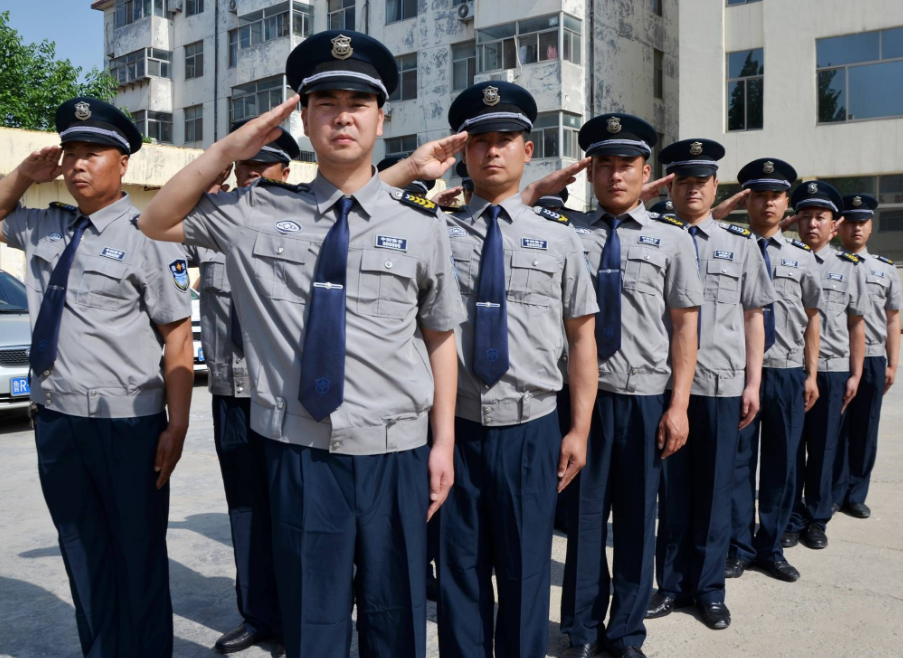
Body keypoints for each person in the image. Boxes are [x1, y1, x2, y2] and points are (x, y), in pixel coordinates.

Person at [138, 30, 465, 658]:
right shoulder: (251, 211)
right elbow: (155, 219)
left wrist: (443, 441)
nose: (342, 115)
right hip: (299, 451)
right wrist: (234, 145)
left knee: (394, 616)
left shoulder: (420, 225)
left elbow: (440, 338)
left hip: (394, 450)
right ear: (305, 118)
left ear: (380, 118)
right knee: (311, 619)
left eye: (358, 103)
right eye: (324, 102)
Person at [0, 97, 194, 657]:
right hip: (57, 420)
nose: (79, 165)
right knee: (80, 547)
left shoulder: (149, 234)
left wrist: (176, 428)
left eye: (94, 153)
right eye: (72, 153)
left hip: (126, 423)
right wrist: (20, 174)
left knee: (137, 551)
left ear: (123, 163)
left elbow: (177, 336)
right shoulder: (44, 226)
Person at [435, 80, 599, 658]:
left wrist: (577, 429)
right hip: (453, 428)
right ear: (462, 152)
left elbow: (582, 339)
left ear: (529, 150)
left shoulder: (560, 240)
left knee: (528, 570)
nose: (492, 151)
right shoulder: (434, 230)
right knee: (458, 567)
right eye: (478, 141)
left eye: (506, 139)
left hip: (532, 427)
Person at [560, 115, 703, 658]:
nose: (616, 175)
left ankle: (625, 633)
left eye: (627, 165)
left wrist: (680, 405)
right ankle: (580, 629)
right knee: (583, 518)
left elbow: (686, 325)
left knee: (640, 520)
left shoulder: (671, 241)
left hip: (644, 398)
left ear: (647, 172)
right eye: (605, 165)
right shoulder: (566, 233)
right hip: (580, 403)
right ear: (589, 171)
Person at [182, 119, 301, 654]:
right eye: (244, 164)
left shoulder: (304, 223)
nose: (252, 175)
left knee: (296, 512)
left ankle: (304, 613)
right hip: (232, 393)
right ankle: (258, 614)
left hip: (288, 396)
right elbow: (154, 223)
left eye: (263, 165)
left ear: (286, 171)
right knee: (247, 509)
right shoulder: (212, 223)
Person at [649, 139, 774, 631]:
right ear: (672, 186)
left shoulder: (738, 244)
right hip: (666, 387)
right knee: (673, 493)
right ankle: (672, 585)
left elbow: (754, 317)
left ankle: (708, 590)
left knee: (716, 491)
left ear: (714, 186)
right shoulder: (654, 237)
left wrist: (753, 381)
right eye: (683, 181)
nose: (693, 190)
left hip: (721, 386)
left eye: (701, 182)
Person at [726, 158, 821, 584]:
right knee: (739, 463)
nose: (768, 202)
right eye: (759, 194)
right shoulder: (726, 243)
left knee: (783, 462)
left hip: (785, 370)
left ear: (788, 203)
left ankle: (772, 545)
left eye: (775, 195)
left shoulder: (802, 257)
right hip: (739, 372)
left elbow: (813, 317)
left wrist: (812, 373)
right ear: (747, 199)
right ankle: (739, 545)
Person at [783, 181, 868, 551]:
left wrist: (856, 373)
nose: (812, 224)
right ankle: (789, 516)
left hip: (832, 370)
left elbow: (857, 324)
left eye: (820, 217)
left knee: (823, 447)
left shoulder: (848, 267)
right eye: (805, 216)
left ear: (835, 224)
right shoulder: (783, 256)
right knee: (788, 447)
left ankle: (817, 518)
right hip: (790, 366)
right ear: (796, 221)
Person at [832, 194, 901, 518]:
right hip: (834, 357)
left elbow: (892, 319)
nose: (856, 228)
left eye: (862, 222)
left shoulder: (885, 270)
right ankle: (830, 491)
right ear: (840, 225)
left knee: (865, 426)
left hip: (872, 357)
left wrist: (892, 362)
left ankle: (855, 492)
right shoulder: (827, 264)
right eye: (850, 222)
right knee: (833, 429)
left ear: (871, 227)